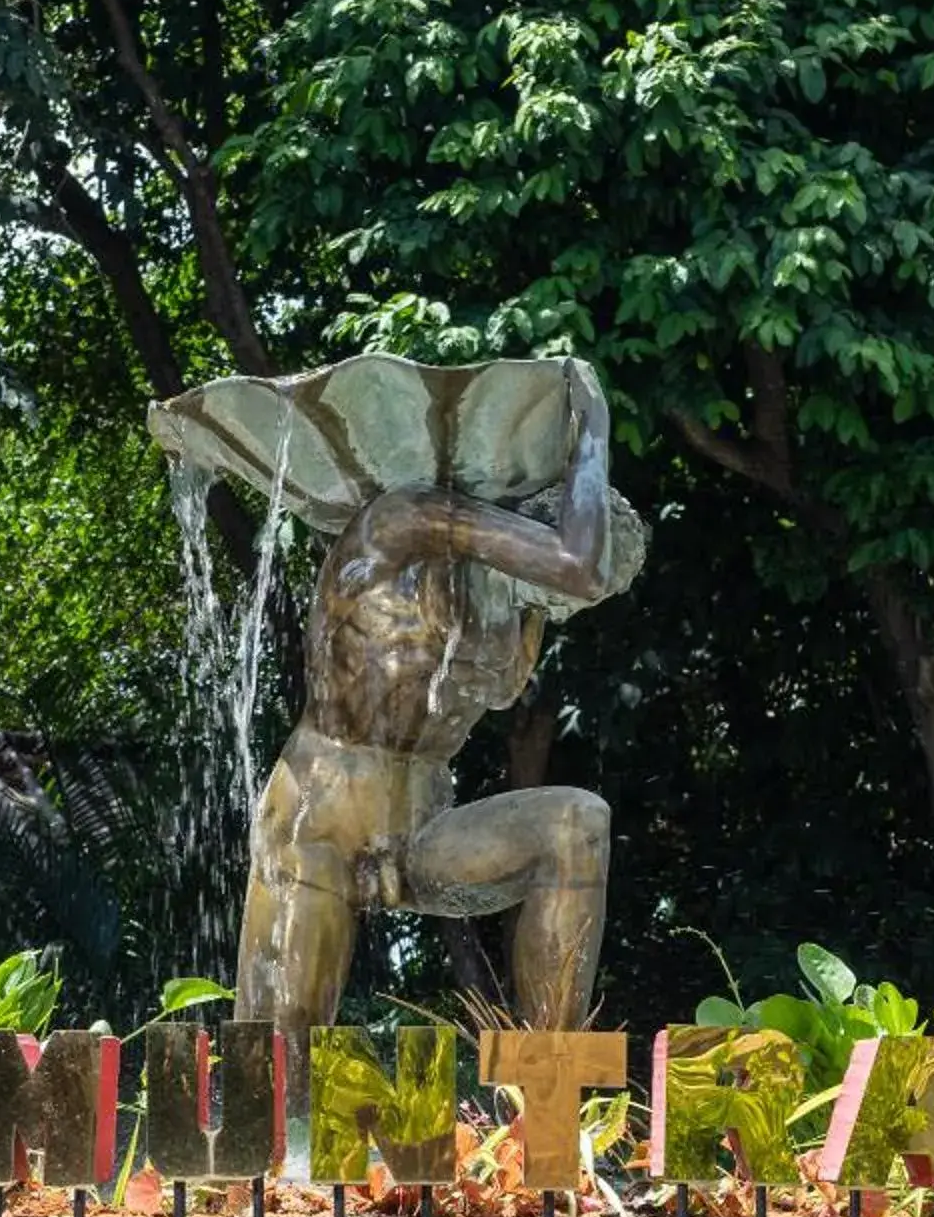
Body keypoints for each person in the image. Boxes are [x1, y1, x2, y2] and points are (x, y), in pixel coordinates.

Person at [236, 366, 640, 1048]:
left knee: (577, 823)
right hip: (322, 817)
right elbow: (579, 563)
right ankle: (256, 1136)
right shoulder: (405, 523)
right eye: (570, 594)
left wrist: (534, 615)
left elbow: (565, 586)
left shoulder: (510, 614)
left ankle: (545, 1094)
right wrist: (591, 431)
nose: (569, 603)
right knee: (278, 1069)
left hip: (423, 828)